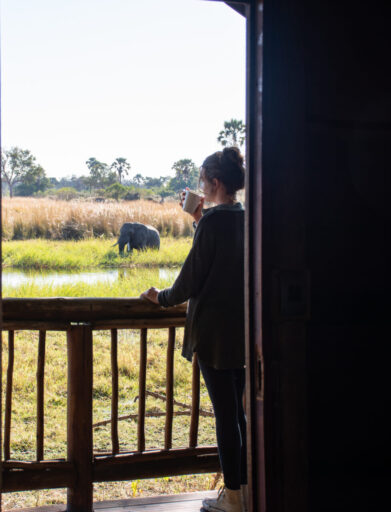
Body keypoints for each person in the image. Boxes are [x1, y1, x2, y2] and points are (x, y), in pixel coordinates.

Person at [140, 147, 247, 512]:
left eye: (203, 181)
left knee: (225, 417)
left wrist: (161, 297)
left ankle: (232, 498)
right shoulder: (244, 217)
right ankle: (244, 492)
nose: (201, 187)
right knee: (239, 415)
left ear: (215, 183)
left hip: (213, 334)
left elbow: (190, 279)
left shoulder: (214, 222)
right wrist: (200, 214)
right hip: (241, 332)